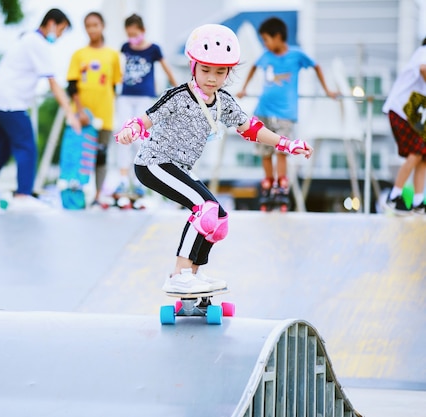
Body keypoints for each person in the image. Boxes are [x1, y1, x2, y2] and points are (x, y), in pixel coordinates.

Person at [115, 24, 313, 293]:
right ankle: (179, 274)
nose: (212, 78)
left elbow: (252, 128)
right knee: (204, 208)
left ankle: (194, 274)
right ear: (193, 66)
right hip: (154, 163)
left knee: (218, 219)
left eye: (220, 72)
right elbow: (147, 118)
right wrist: (131, 130)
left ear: (228, 73)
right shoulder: (178, 96)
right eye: (205, 70)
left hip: (179, 168)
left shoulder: (224, 102)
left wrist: (287, 144)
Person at [0, 8, 81, 210]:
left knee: (0, 150)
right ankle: (22, 196)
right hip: (10, 103)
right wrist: (70, 113)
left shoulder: (27, 39)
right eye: (60, 30)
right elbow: (53, 83)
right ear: (51, 24)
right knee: (26, 146)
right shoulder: (38, 43)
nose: (59, 36)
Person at [236, 17, 336, 210]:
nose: (265, 44)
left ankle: (281, 186)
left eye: (266, 39)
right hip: (263, 110)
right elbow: (254, 67)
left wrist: (327, 91)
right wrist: (244, 88)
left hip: (285, 113)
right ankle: (268, 184)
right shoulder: (265, 56)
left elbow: (317, 66)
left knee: (282, 149)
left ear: (278, 36)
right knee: (265, 152)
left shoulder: (296, 55)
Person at [113, 13, 177, 206]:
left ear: (142, 31)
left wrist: (178, 89)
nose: (132, 38)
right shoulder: (125, 47)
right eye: (129, 34)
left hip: (144, 96)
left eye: (135, 34)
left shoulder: (153, 49)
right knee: (123, 134)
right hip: (126, 95)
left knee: (140, 137)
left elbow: (166, 69)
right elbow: (118, 68)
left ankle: (141, 181)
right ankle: (123, 180)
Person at [67, 11, 122, 208]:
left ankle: (98, 195)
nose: (92, 29)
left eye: (95, 25)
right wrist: (80, 111)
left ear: (102, 26)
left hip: (104, 114)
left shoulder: (112, 55)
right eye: (88, 25)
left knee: (101, 155)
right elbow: (72, 86)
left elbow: (114, 85)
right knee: (80, 154)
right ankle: (77, 194)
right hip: (82, 115)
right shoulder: (79, 55)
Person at [382, 37, 426, 214]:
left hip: (412, 111)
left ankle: (418, 202)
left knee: (423, 155)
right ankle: (394, 196)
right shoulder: (423, 52)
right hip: (401, 109)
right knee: (416, 152)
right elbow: (423, 69)